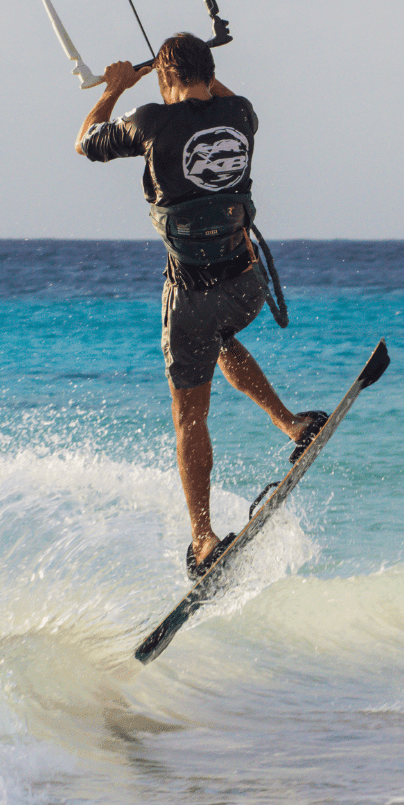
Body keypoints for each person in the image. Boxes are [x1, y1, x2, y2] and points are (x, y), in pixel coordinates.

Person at [75, 32, 325, 578]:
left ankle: (205, 537)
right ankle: (291, 424)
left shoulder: (149, 121)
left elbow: (86, 141)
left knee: (190, 415)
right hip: (246, 287)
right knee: (220, 341)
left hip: (190, 296)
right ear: (211, 73)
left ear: (165, 78)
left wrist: (116, 87)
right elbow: (222, 99)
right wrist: (188, 75)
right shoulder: (243, 114)